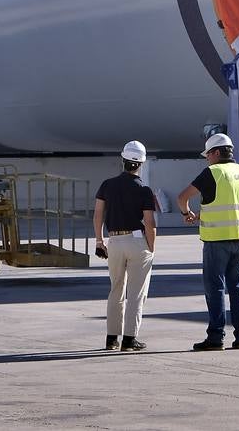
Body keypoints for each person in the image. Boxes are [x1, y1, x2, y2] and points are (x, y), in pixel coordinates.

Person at [177, 131, 239, 351]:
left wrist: (187, 214)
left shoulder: (213, 173)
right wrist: (201, 214)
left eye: (208, 154)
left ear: (217, 152)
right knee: (238, 288)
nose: (206, 158)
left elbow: (182, 197)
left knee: (215, 289)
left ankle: (215, 337)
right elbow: (227, 205)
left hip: (215, 241)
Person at [93, 140, 157, 352]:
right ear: (141, 164)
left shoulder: (107, 185)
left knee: (116, 290)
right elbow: (149, 222)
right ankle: (129, 340)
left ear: (123, 160)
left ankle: (111, 339)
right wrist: (151, 247)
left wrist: (99, 241)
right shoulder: (144, 190)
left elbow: (98, 214)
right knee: (136, 293)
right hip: (137, 240)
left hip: (114, 241)